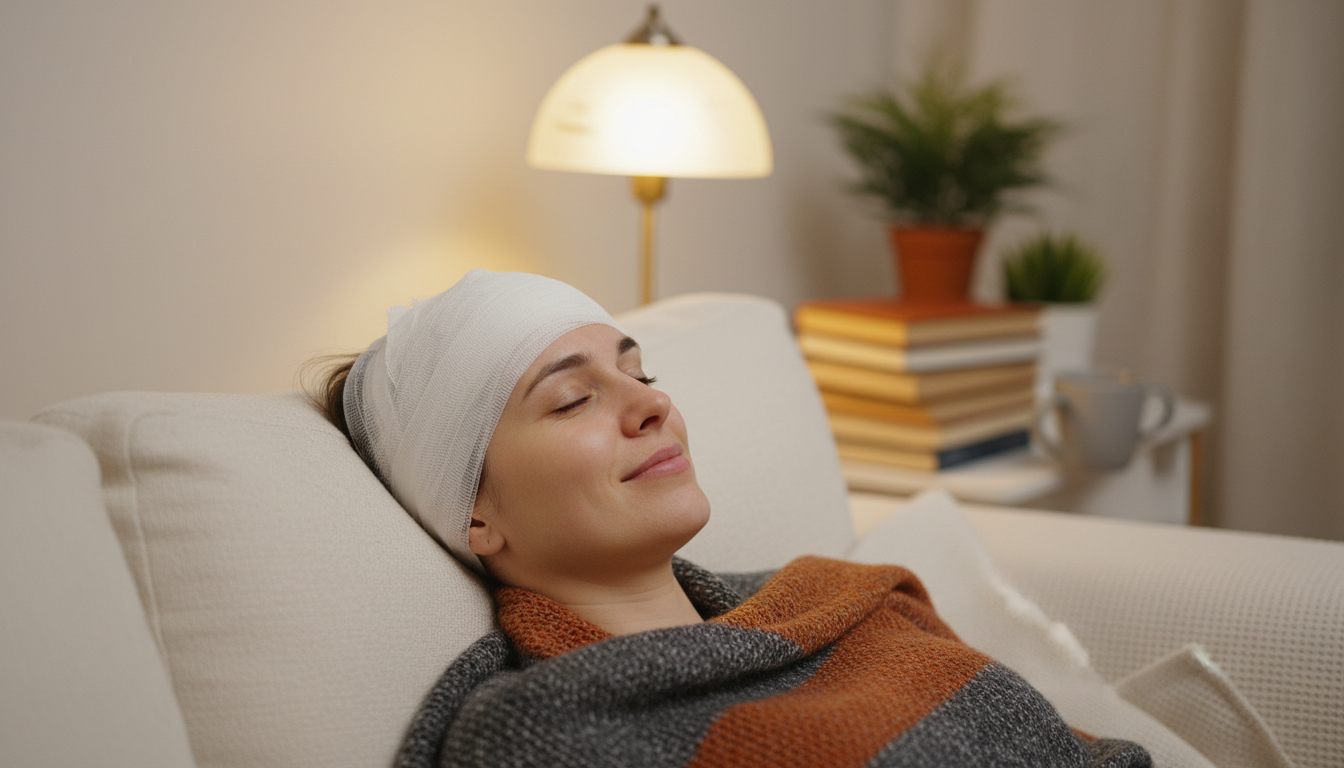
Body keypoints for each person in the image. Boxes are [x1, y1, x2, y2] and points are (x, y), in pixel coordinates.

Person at [311, 270, 1151, 768]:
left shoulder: (840, 601)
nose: (650, 404)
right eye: (573, 399)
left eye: (640, 373)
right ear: (477, 515)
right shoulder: (540, 733)